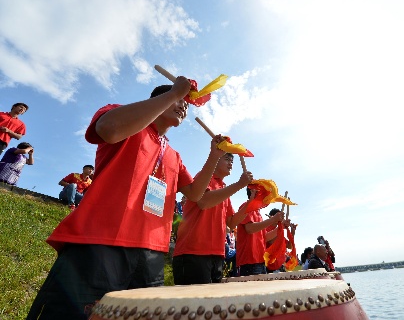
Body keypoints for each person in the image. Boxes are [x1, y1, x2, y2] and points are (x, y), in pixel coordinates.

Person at [27, 77, 227, 320]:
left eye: (186, 103)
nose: (184, 106)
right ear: (159, 100)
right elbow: (108, 129)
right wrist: (174, 93)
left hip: (151, 252)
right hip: (101, 241)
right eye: (179, 100)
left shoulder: (174, 155)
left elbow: (195, 193)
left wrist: (214, 156)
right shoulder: (123, 118)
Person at [172, 152, 253, 285]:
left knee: (211, 303)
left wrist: (252, 202)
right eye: (227, 159)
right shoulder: (204, 178)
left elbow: (231, 222)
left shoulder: (224, 188)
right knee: (194, 304)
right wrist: (239, 184)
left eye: (232, 160)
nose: (231, 163)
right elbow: (203, 202)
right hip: (193, 253)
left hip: (217, 254)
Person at [236, 188, 287, 276]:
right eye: (262, 191)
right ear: (253, 191)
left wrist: (281, 226)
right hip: (249, 262)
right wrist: (273, 219)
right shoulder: (246, 206)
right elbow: (249, 229)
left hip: (260, 261)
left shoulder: (257, 213)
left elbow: (265, 237)